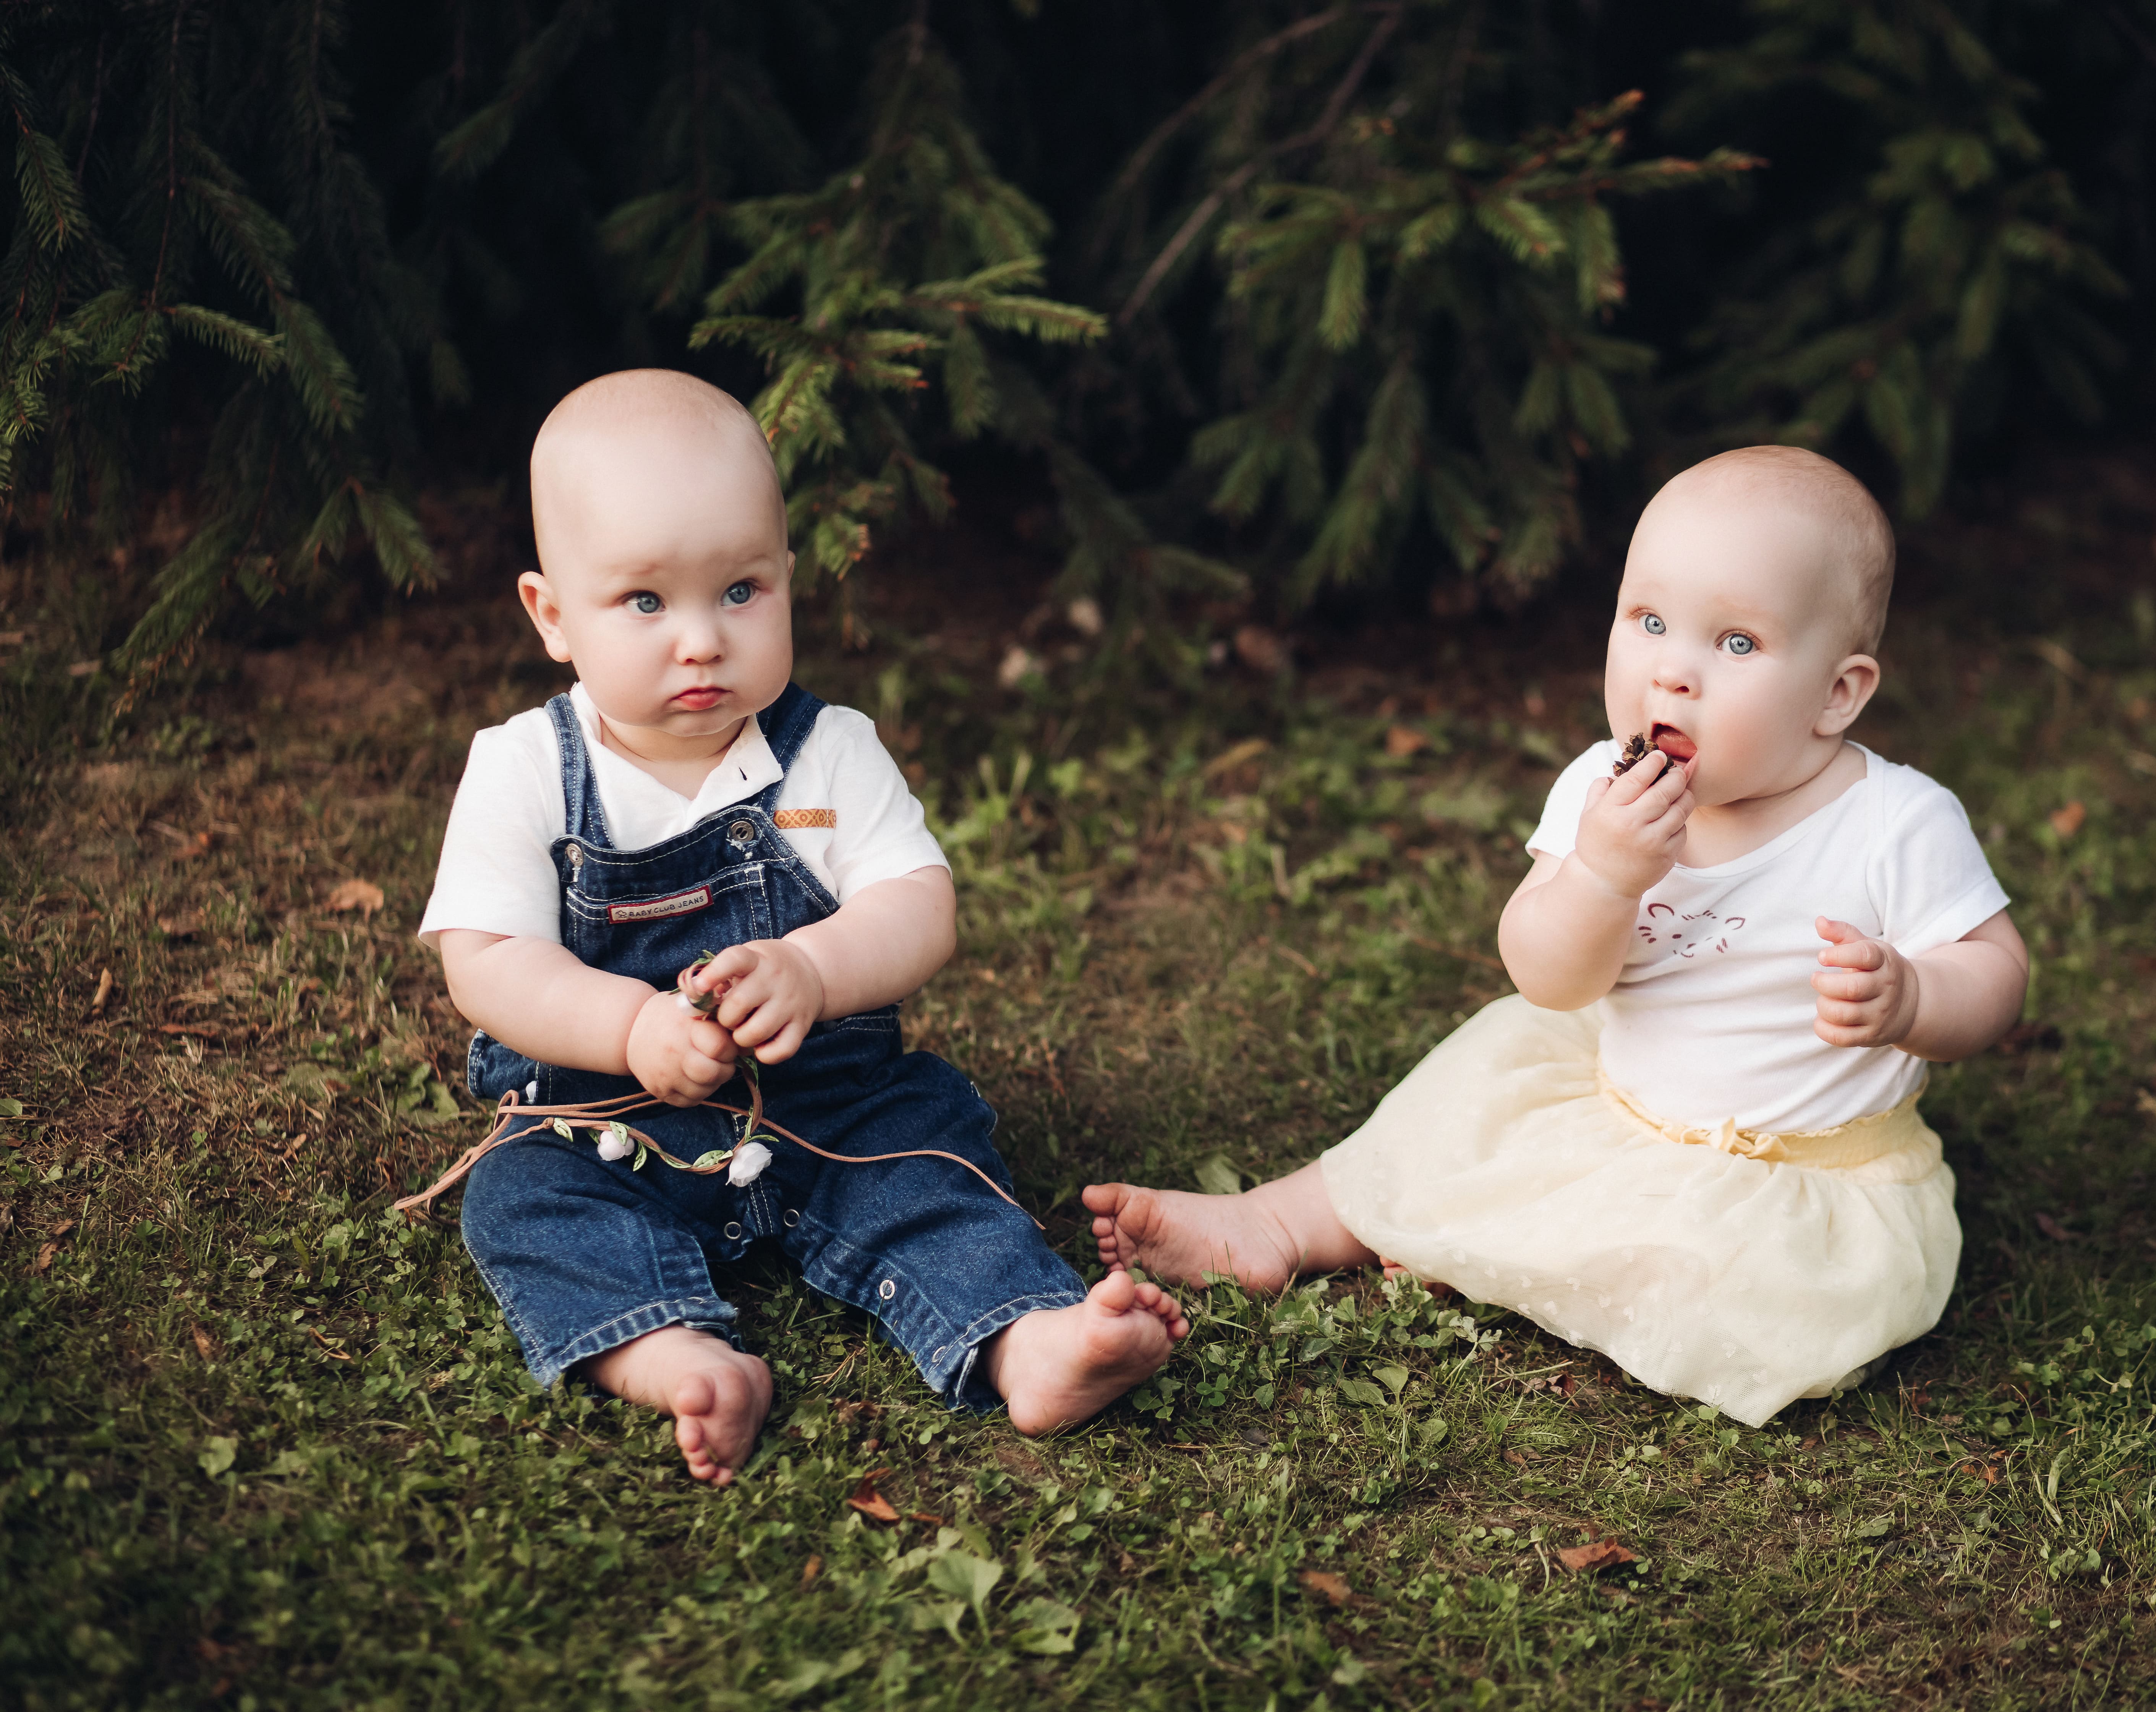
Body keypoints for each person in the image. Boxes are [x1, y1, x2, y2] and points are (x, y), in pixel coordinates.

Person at [1083, 446, 2026, 1425]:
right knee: (1456, 1113)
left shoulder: (1894, 823)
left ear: (1839, 692)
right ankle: (1277, 1220)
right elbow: (1548, 977)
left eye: (1736, 643)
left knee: (1734, 1284)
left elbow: (1997, 972)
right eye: (1650, 621)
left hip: (1796, 1167)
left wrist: (1915, 996)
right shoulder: (1599, 791)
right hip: (1616, 1097)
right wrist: (1603, 874)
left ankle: (1495, 1249)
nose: (1674, 669)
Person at [419, 369, 1185, 1483]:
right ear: (551, 616)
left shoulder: (822, 762)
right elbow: (486, 962)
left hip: (832, 1105)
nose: (701, 641)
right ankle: (673, 1353)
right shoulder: (527, 768)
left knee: (926, 1162)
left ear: (787, 580)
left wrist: (818, 967)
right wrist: (629, 1025)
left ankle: (1032, 1338)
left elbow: (919, 903)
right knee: (526, 1197)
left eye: (740, 590)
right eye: (645, 602)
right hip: (610, 1115)